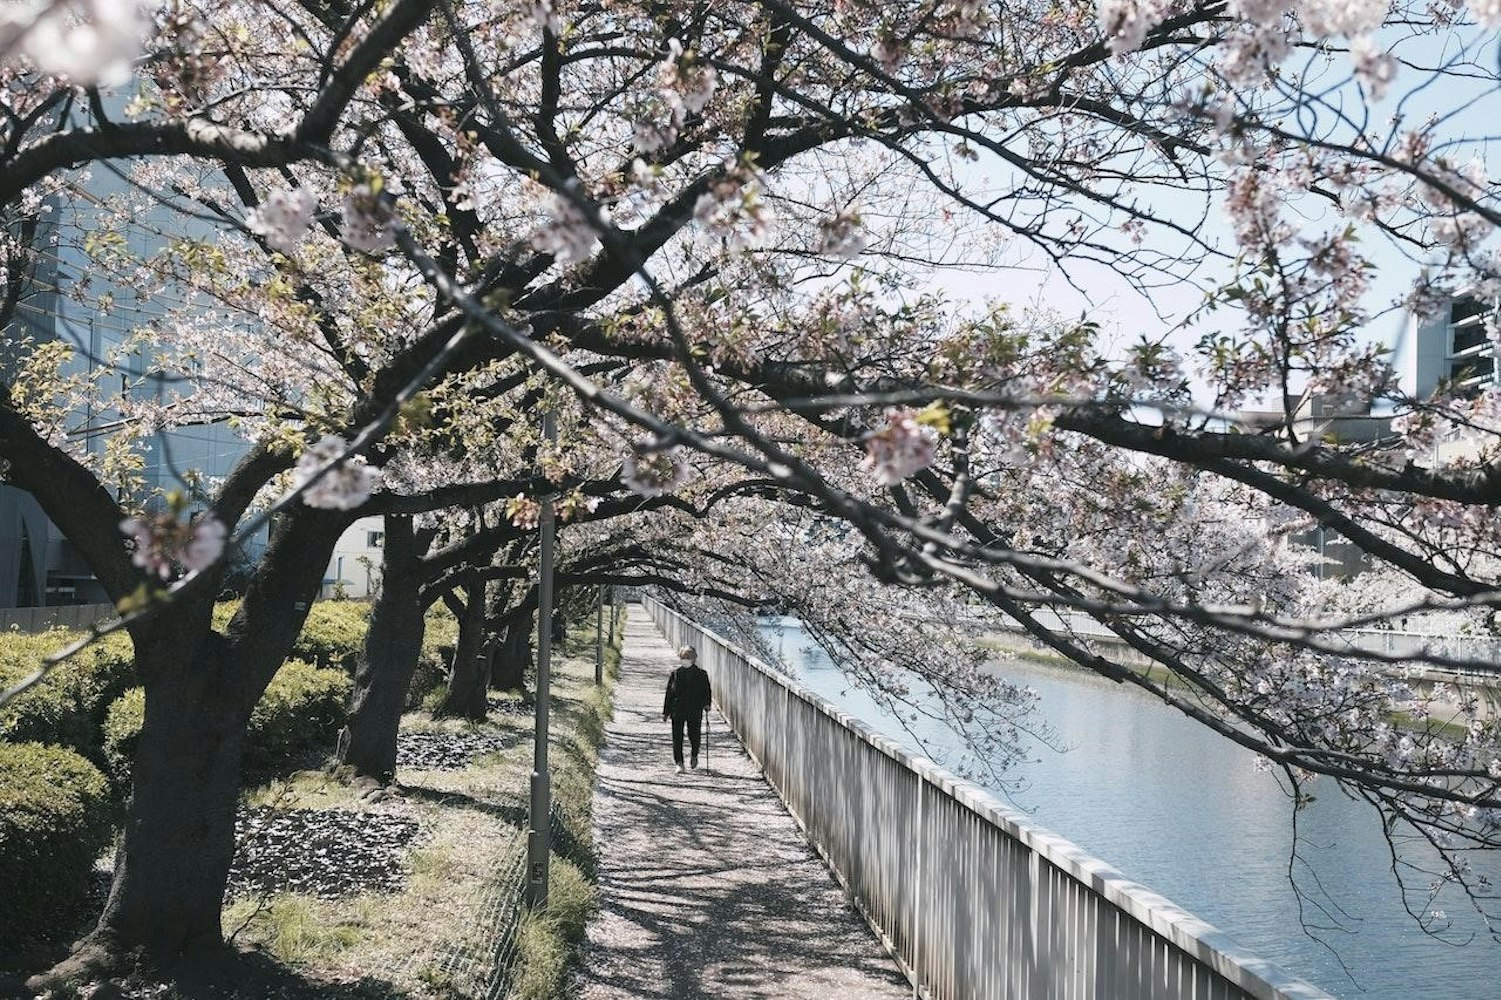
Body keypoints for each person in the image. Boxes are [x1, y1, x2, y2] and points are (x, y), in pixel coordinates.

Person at [662, 645, 712, 774]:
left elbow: (707, 692)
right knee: (677, 737)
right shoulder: (676, 674)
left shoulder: (701, 674)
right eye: (683, 657)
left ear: (694, 658)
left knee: (694, 735)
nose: (686, 659)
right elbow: (669, 694)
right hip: (677, 709)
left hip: (694, 709)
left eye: (688, 657)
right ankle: (679, 763)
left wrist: (707, 704)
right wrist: (666, 712)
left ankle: (694, 754)